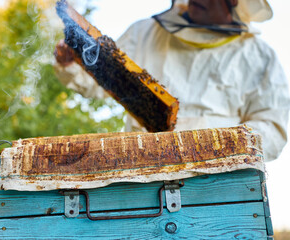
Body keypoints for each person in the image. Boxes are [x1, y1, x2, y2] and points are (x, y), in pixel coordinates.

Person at [53, 0, 290, 162]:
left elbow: (273, 129)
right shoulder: (144, 32)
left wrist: (221, 146)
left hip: (216, 184)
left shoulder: (259, 56)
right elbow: (98, 82)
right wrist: (70, 63)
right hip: (143, 167)